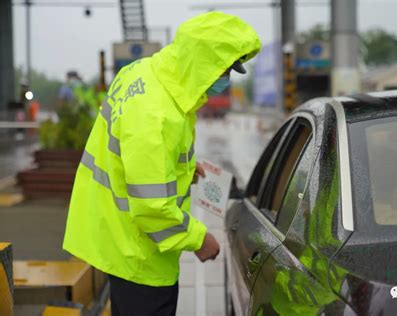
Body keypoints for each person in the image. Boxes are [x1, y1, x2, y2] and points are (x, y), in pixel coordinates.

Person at [63, 11, 260, 316]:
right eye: (223, 71)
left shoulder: (145, 73)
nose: (225, 80)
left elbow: (136, 156)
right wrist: (199, 239)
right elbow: (151, 207)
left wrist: (184, 168)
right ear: (201, 62)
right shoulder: (155, 115)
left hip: (118, 233)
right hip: (139, 256)